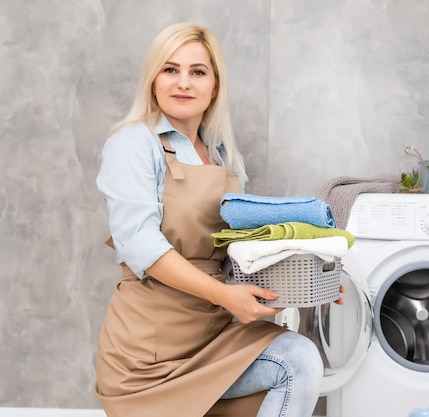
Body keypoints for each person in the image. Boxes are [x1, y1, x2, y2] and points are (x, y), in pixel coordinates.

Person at [94, 22, 324, 417]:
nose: (183, 82)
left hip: (215, 335)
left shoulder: (225, 157)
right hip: (149, 357)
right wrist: (223, 295)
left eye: (197, 72)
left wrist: (314, 278)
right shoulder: (133, 143)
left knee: (299, 358)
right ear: (153, 80)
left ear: (214, 85)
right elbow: (139, 243)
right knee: (294, 362)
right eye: (170, 69)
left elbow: (244, 253)